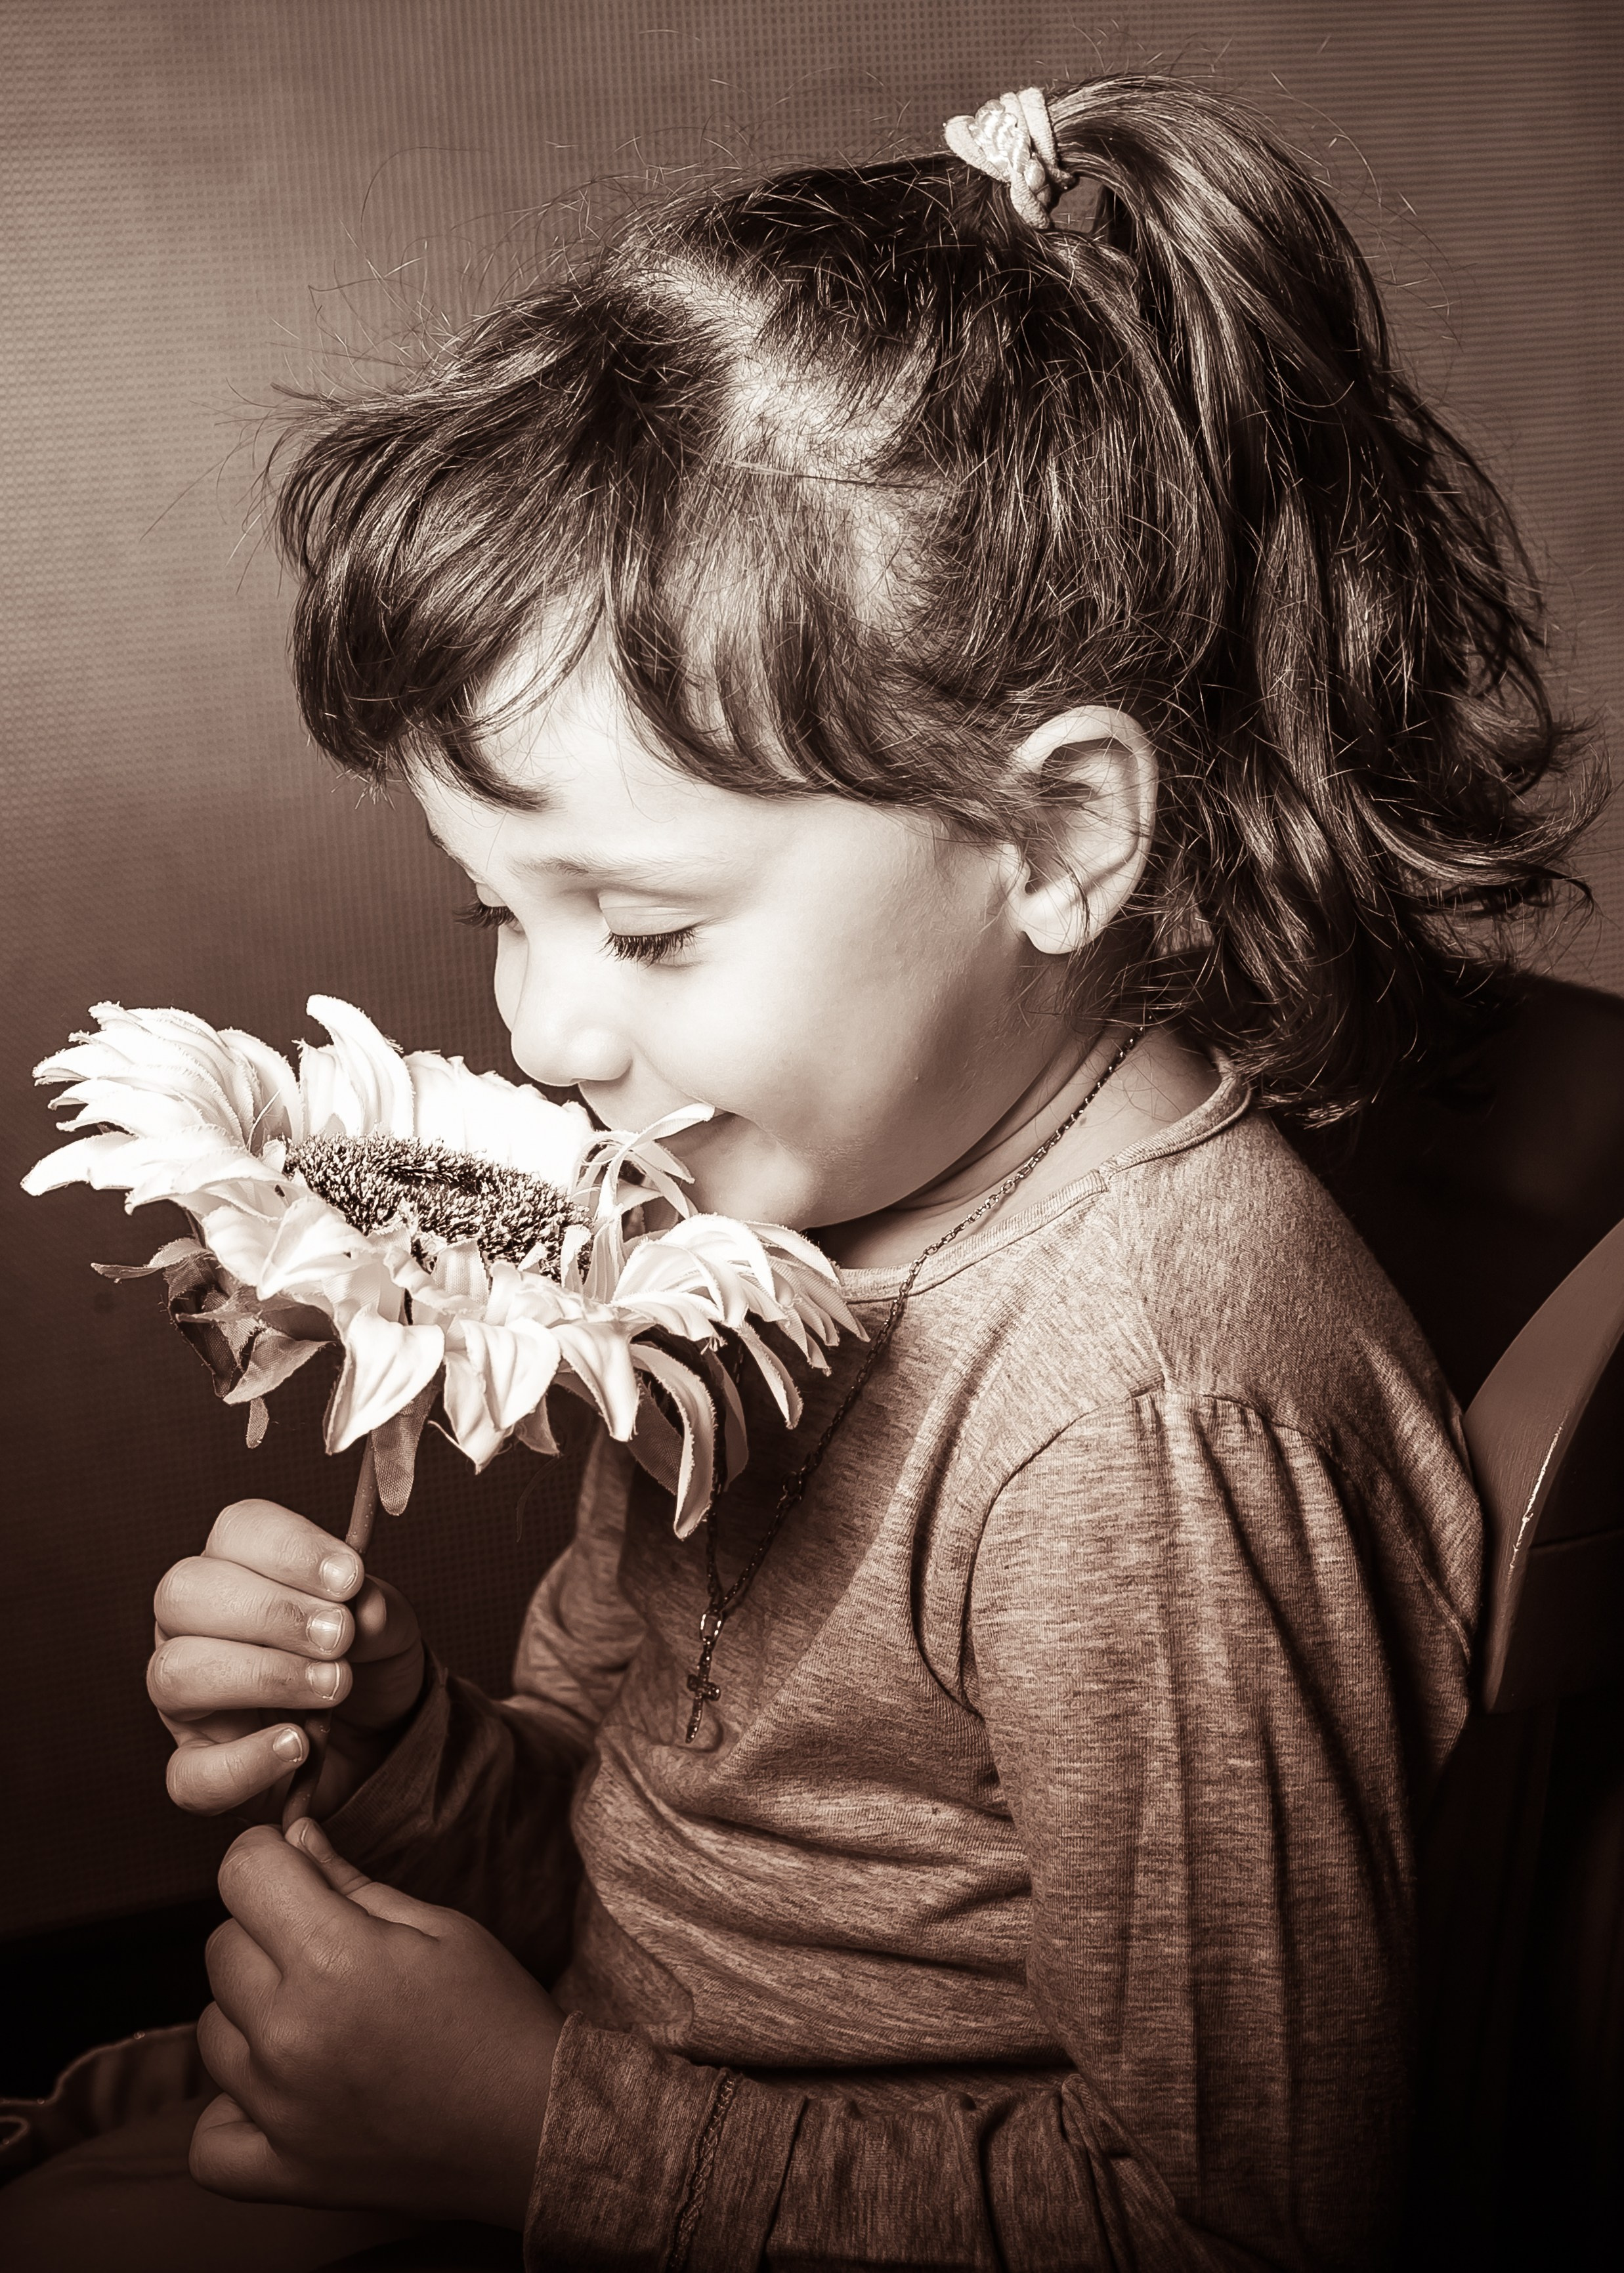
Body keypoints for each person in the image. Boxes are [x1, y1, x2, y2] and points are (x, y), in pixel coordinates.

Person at [0, 71, 1591, 2272]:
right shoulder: (754, 1224)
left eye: (645, 928)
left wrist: (534, 2132)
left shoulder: (1135, 1418)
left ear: (1054, 836)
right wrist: (401, 1754)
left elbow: (1265, 2222)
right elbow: (661, 1861)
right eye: (499, 914)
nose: (543, 1037)